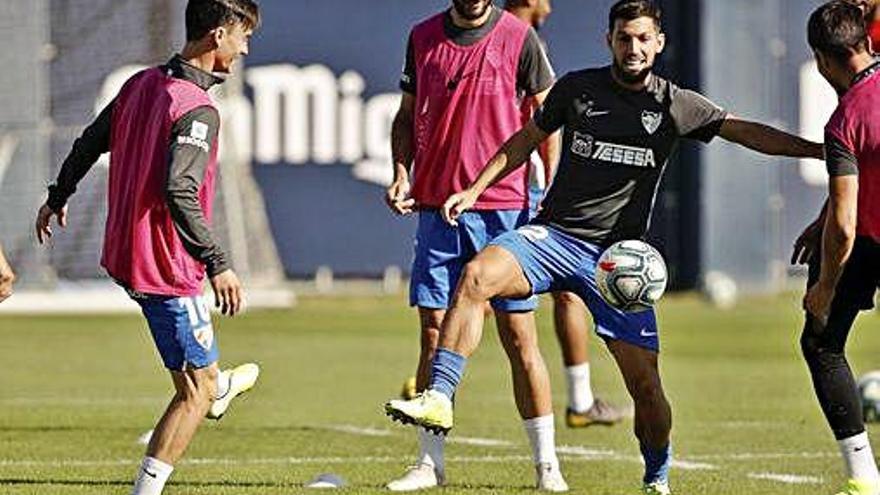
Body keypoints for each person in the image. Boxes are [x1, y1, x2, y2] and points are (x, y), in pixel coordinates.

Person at [385, 1, 824, 493]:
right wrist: (473, 189)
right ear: (609, 40)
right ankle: (440, 395)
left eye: (641, 38)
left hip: (616, 262)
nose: (632, 48)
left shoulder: (674, 105)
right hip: (551, 238)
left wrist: (817, 150)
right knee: (477, 277)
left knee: (647, 389)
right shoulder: (578, 89)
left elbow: (744, 131)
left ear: (658, 42)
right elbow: (524, 139)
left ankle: (657, 476)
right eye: (623, 38)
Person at [34, 1, 261, 493]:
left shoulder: (140, 84)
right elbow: (179, 190)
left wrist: (58, 195)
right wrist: (217, 262)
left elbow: (92, 139)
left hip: (125, 254)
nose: (245, 48)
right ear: (219, 34)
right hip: (165, 266)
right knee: (193, 393)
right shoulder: (196, 108)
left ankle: (218, 384)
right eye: (243, 36)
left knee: (200, 375)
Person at [384, 0, 567, 491]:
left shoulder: (520, 38)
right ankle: (429, 464)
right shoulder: (421, 37)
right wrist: (403, 173)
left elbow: (547, 119)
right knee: (432, 333)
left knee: (519, 337)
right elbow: (405, 117)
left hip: (505, 208)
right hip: (437, 208)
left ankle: (547, 465)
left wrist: (547, 190)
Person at [504, 0, 627, 429]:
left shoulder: (503, 37)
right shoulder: (522, 40)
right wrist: (555, 183)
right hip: (527, 185)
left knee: (488, 286)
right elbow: (546, 121)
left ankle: (432, 375)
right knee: (563, 285)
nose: (550, 5)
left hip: (509, 184)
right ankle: (579, 401)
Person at [792, 3, 880, 494]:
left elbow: (845, 229)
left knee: (822, 344)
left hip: (867, 239)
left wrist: (826, 287)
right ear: (867, 42)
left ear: (822, 61)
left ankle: (864, 477)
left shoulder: (845, 120)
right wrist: (823, 218)